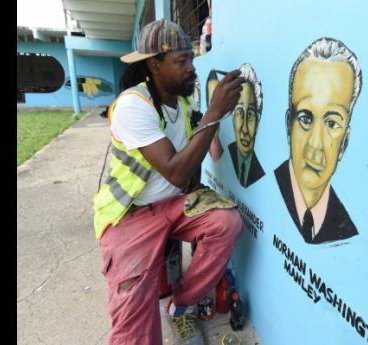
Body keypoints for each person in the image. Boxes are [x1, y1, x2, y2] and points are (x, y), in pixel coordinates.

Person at [92, 19, 244, 345]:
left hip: (174, 203)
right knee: (135, 325)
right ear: (154, 65)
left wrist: (212, 119)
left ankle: (181, 303)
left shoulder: (185, 100)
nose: (192, 68)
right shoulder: (133, 106)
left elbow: (201, 155)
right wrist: (215, 112)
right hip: (131, 215)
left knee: (226, 223)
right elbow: (175, 170)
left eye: (191, 58)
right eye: (182, 61)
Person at [274, 37, 362, 244]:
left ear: (344, 143)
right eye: (305, 118)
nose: (315, 145)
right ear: (289, 126)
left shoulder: (346, 231)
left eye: (332, 124)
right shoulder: (270, 188)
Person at [228, 63, 265, 188]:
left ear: (258, 121)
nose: (244, 130)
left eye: (250, 115)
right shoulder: (228, 156)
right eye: (239, 112)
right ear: (233, 118)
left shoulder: (260, 173)